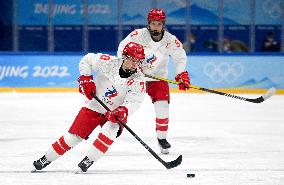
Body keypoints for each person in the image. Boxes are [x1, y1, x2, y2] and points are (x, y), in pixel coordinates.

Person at [32, 42, 146, 173]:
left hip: (114, 114)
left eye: (138, 60)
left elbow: (135, 101)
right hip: (94, 106)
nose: (135, 64)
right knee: (72, 138)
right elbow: (87, 60)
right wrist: (86, 78)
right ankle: (45, 158)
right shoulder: (109, 62)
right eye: (132, 59)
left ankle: (89, 160)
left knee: (109, 132)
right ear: (125, 56)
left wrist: (123, 111)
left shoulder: (139, 80)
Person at [117, 8, 190, 154]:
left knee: (163, 107)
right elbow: (121, 50)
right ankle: (115, 128)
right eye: (153, 23)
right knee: (123, 105)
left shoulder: (171, 40)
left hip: (158, 78)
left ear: (163, 24)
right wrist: (130, 66)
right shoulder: (137, 35)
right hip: (136, 78)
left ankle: (162, 139)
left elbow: (180, 57)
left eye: (159, 24)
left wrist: (181, 74)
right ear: (148, 24)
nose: (155, 27)